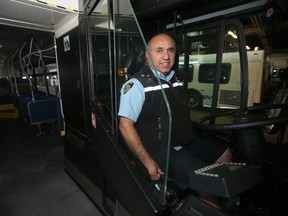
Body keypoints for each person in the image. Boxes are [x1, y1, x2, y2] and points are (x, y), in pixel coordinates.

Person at [118, 33, 232, 204]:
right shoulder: (136, 85)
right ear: (147, 56)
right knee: (206, 180)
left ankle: (215, 195)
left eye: (170, 50)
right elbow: (125, 127)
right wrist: (147, 162)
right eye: (159, 51)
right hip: (159, 149)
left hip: (183, 140)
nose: (166, 56)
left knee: (225, 153)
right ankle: (212, 202)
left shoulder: (174, 80)